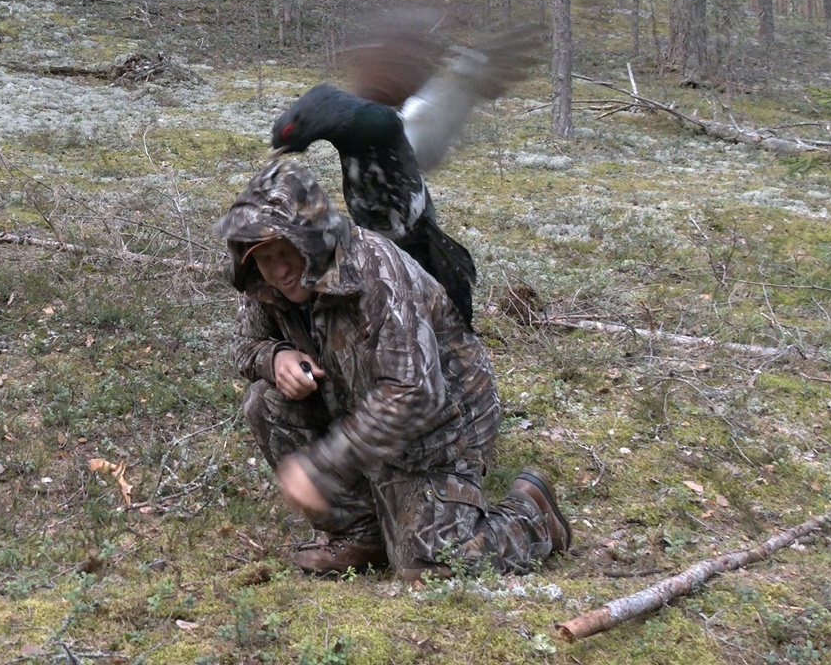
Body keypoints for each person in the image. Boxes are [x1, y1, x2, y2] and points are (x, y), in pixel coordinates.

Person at [213, 161, 571, 580]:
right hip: (356, 413)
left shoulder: (377, 273)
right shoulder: (266, 286)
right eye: (263, 257)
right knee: (265, 401)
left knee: (428, 567)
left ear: (311, 239)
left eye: (285, 251)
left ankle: (532, 516)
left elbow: (414, 395)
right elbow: (245, 345)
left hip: (441, 429)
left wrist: (325, 465)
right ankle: (361, 533)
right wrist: (275, 359)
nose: (278, 270)